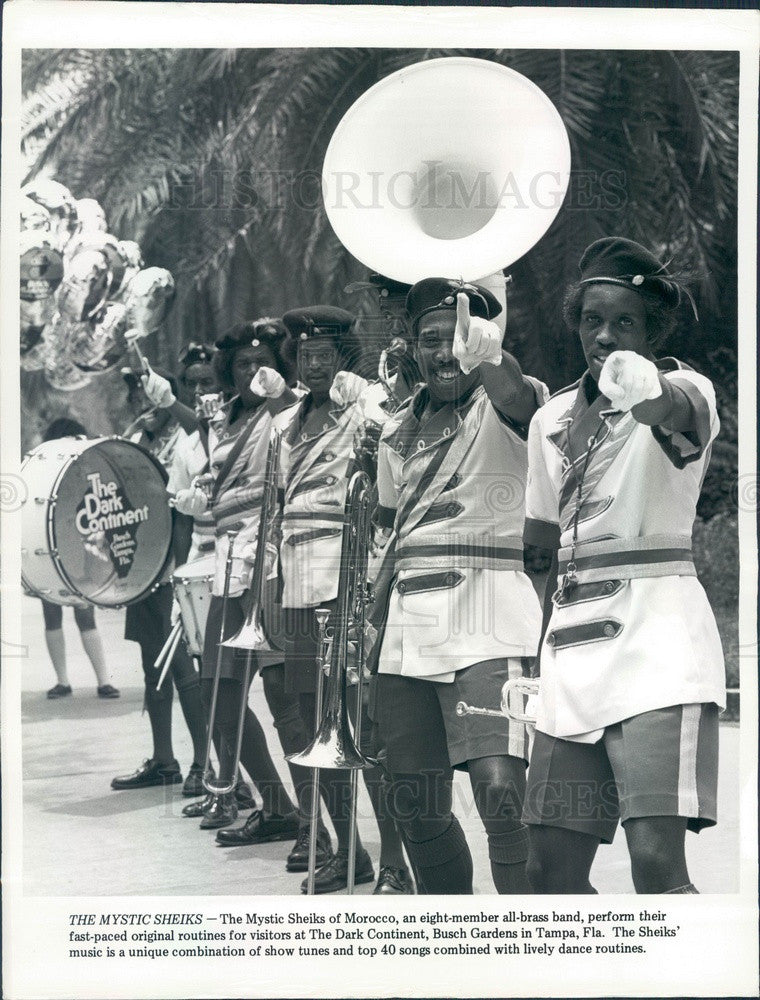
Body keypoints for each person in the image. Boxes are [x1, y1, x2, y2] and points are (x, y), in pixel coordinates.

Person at [522, 237, 726, 894]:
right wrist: (536, 651)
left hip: (658, 647)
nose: (604, 336)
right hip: (570, 654)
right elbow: (540, 548)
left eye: (624, 322)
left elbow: (673, 410)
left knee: (657, 866)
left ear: (649, 329)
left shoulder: (686, 390)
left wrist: (646, 386)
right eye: (592, 320)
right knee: (548, 873)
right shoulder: (551, 418)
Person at [371, 277, 546, 894]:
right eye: (430, 340)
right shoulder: (394, 430)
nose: (444, 353)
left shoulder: (507, 407)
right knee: (414, 803)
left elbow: (516, 392)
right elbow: (388, 533)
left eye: (458, 339)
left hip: (490, 614)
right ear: (413, 348)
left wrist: (491, 356)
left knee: (501, 789)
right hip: (406, 629)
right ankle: (455, 939)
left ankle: (527, 944)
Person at [279, 305, 414, 895]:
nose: (313, 366)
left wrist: (368, 394)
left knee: (364, 725)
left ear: (343, 359)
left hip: (346, 574)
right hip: (296, 578)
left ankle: (395, 862)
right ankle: (348, 851)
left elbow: (398, 424)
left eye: (325, 356)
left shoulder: (363, 402)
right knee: (318, 725)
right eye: (305, 356)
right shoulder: (285, 422)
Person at [174, 320, 310, 848]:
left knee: (283, 699)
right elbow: (221, 484)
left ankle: (314, 825)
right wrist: (203, 496)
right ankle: (276, 806)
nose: (254, 372)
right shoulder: (225, 419)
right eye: (242, 366)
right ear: (230, 374)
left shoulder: (286, 409)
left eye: (262, 363)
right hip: (230, 564)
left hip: (272, 561)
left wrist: (281, 394)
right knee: (218, 693)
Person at [110, 368, 208, 794]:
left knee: (183, 668)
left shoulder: (189, 438)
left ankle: (205, 764)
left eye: (147, 394)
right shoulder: (134, 441)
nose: (141, 402)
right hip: (142, 569)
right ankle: (164, 759)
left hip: (174, 566)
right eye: (134, 395)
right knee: (155, 668)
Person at [39, 418, 119, 700]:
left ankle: (102, 680)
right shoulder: (45, 473)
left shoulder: (86, 470)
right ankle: (63, 681)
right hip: (52, 547)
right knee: (52, 613)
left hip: (80, 549)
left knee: (85, 613)